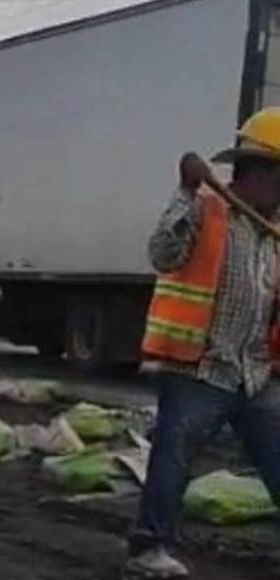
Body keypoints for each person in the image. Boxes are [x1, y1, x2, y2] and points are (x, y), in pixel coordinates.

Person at [125, 108, 280, 578]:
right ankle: (149, 548)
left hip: (254, 370)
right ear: (258, 173)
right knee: (173, 456)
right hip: (201, 368)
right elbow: (162, 253)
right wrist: (186, 190)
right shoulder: (206, 210)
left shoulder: (273, 235)